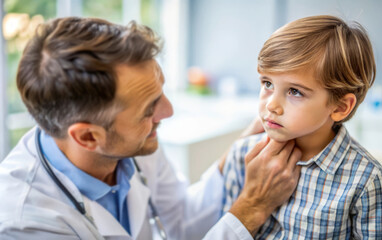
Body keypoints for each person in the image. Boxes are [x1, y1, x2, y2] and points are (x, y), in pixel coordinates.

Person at [0, 17, 302, 240]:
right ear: (89, 136)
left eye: (160, 92)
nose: (167, 112)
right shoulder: (25, 221)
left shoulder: (131, 144)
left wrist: (245, 143)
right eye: (148, 109)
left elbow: (182, 220)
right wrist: (252, 209)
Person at [221, 15, 382, 239]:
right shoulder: (241, 156)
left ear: (340, 107)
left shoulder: (365, 179)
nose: (271, 105)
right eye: (267, 83)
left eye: (295, 91)